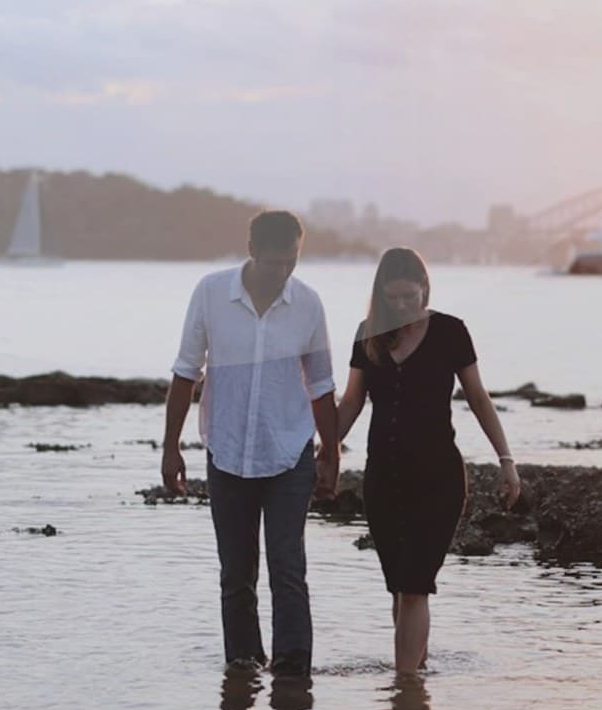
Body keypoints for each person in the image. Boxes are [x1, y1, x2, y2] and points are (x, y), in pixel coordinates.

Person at [162, 209, 339, 677]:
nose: (284, 272)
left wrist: (332, 454)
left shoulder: (308, 304)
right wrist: (170, 448)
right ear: (253, 251)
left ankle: (293, 676)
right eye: (276, 262)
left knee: (288, 569)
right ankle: (242, 673)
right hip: (227, 451)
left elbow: (321, 385)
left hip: (289, 453)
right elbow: (185, 372)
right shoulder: (210, 293)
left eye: (293, 262)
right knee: (236, 576)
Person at [335, 248, 520, 673]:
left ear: (425, 287)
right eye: (392, 299)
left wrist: (506, 460)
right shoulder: (369, 333)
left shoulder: (451, 332)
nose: (401, 306)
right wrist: (323, 453)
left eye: (408, 297)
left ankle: (403, 691)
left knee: (416, 586)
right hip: (383, 477)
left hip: (437, 478)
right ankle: (414, 685)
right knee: (400, 589)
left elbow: (478, 398)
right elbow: (351, 403)